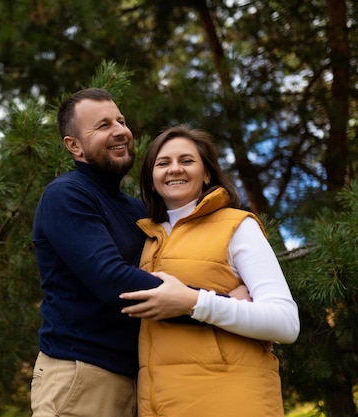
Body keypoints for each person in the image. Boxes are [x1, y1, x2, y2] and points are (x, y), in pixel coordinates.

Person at [29, 89, 235, 417]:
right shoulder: (66, 196)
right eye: (103, 125)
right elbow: (113, 280)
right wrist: (219, 305)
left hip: (141, 381)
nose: (120, 131)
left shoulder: (136, 210)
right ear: (74, 146)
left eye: (121, 121)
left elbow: (178, 267)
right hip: (82, 377)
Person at [119, 124, 300, 417]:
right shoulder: (146, 238)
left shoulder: (238, 226)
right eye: (163, 163)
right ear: (151, 180)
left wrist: (196, 302)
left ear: (206, 174)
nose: (174, 169)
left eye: (187, 161)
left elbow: (286, 323)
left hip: (232, 400)